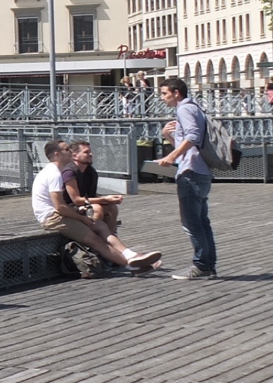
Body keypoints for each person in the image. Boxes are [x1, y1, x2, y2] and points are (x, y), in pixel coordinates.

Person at [32, 139, 160, 270]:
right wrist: (83, 219)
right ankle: (131, 266)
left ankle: (131, 255)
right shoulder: (54, 174)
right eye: (66, 149)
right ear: (57, 154)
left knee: (101, 226)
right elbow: (60, 207)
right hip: (52, 218)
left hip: (61, 214)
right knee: (95, 240)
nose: (70, 151)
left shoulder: (57, 171)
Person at [159, 75, 217, 279]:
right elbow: (190, 141)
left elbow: (192, 137)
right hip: (201, 170)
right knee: (201, 221)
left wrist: (171, 156)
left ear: (176, 93)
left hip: (190, 171)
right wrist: (168, 136)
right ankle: (208, 264)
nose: (162, 98)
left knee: (191, 222)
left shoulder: (183, 109)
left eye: (164, 93)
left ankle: (201, 265)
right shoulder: (195, 108)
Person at [65, 140, 119, 234]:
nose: (91, 154)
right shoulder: (69, 172)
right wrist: (105, 199)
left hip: (82, 204)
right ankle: (94, 237)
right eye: (86, 152)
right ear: (74, 156)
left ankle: (108, 236)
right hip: (67, 208)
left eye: (90, 151)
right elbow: (76, 200)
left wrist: (109, 200)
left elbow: (91, 196)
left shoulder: (90, 172)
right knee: (96, 209)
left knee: (112, 207)